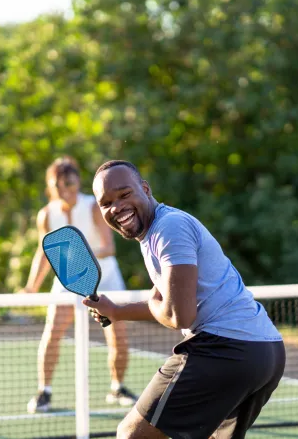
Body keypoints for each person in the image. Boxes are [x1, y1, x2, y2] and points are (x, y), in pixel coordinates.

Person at [84, 160, 286, 439]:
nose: (116, 207)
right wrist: (116, 311)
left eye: (124, 194)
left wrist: (147, 305)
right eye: (106, 203)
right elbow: (165, 302)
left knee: (131, 435)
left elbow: (179, 315)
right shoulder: (156, 232)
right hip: (265, 352)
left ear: (145, 188)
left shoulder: (169, 228)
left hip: (225, 349)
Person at [23, 156, 138, 414]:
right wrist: (31, 286)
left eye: (69, 182)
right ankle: (45, 392)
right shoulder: (46, 215)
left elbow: (109, 247)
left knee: (117, 334)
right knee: (52, 332)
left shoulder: (93, 207)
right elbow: (44, 252)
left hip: (106, 278)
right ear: (51, 187)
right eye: (59, 184)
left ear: (76, 182)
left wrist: (79, 256)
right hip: (67, 282)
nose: (65, 188)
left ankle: (117, 387)